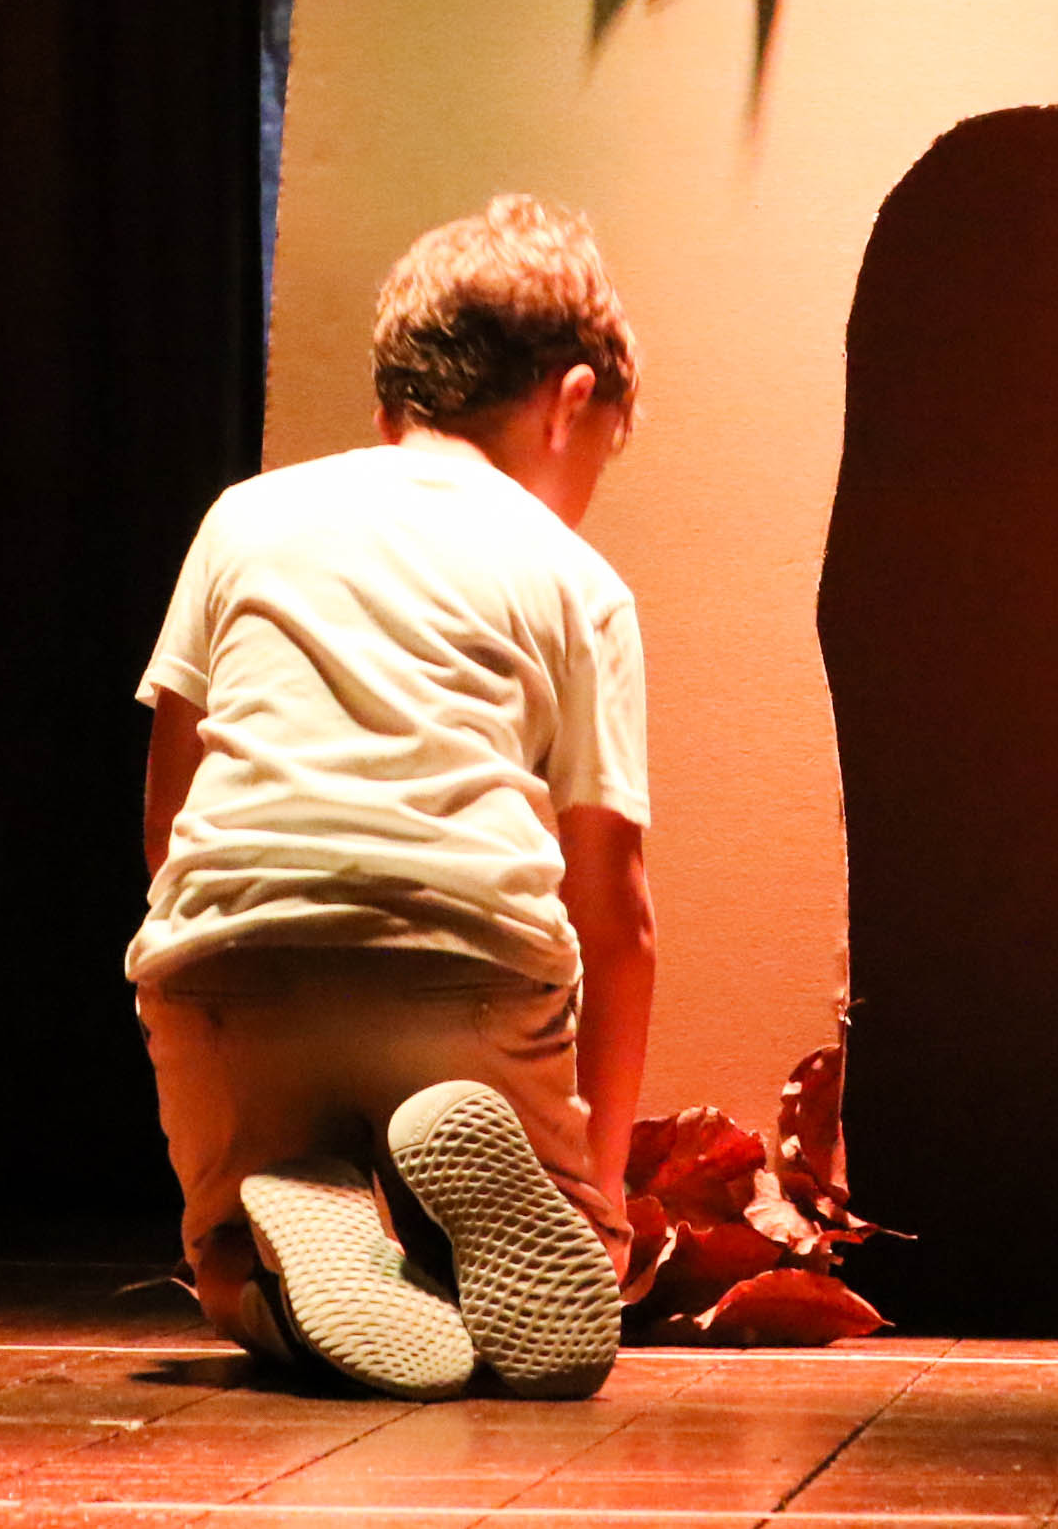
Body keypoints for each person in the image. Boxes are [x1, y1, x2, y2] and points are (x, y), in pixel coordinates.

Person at [129, 195, 657, 1401]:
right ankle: (457, 1233)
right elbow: (619, 918)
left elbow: (169, 820)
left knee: (222, 1262)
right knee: (533, 1273)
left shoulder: (244, 520)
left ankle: (280, 1243)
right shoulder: (577, 578)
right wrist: (601, 1200)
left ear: (391, 409)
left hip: (234, 977)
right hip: (460, 983)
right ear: (572, 400)